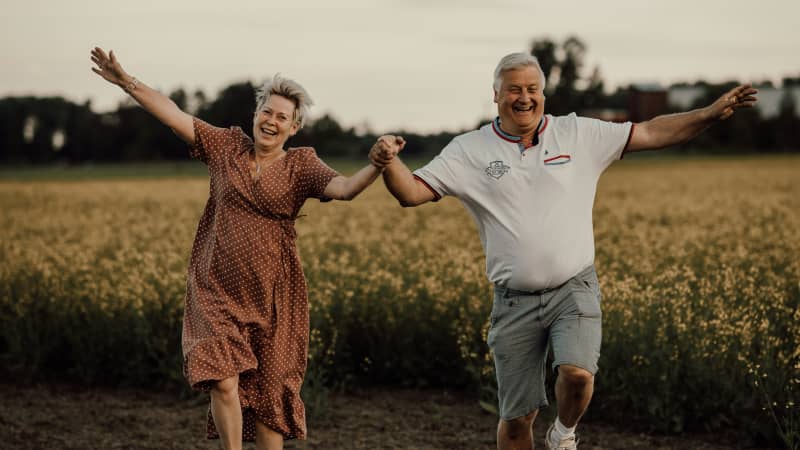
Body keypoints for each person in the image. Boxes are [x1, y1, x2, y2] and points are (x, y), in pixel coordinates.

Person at [370, 52, 757, 450]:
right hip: (513, 302)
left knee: (577, 374)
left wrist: (710, 113)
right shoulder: (468, 151)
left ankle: (564, 434)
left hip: (573, 288)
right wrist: (388, 163)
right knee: (518, 419)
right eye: (514, 90)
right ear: (496, 95)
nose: (524, 98)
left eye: (532, 89)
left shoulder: (578, 134)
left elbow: (654, 132)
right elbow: (412, 193)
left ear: (543, 93)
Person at [90, 47, 402, 450]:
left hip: (274, 297)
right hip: (215, 288)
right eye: (266, 112)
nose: (271, 121)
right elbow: (173, 113)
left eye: (282, 117)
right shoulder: (225, 147)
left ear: (294, 127)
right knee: (223, 379)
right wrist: (126, 82)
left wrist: (377, 164)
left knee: (270, 404)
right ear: (256, 114)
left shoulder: (301, 166)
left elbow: (344, 189)